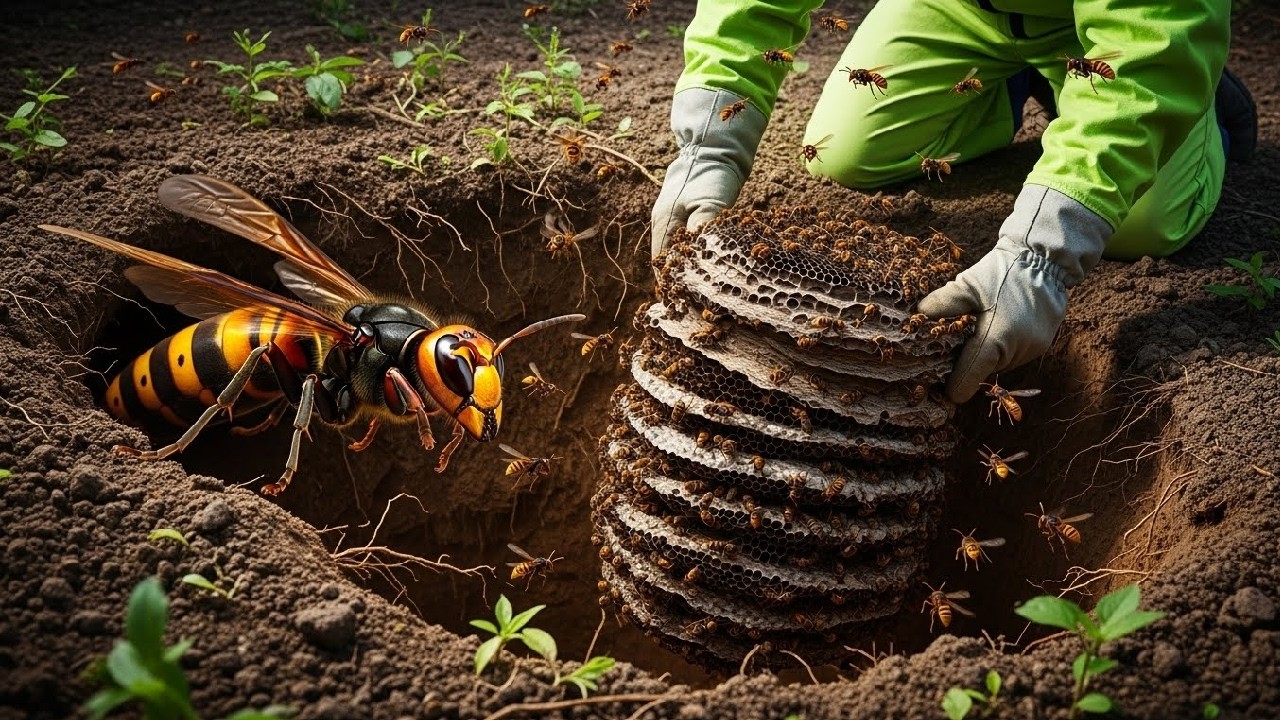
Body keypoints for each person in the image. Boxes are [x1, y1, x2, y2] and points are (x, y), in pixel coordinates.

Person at [649, 0, 1256, 404]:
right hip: (960, 8)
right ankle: (1017, 87)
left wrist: (1042, 253)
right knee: (846, 153)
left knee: (1138, 225)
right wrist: (708, 143)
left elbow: (1153, 45)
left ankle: (1205, 112)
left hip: (1128, 38)